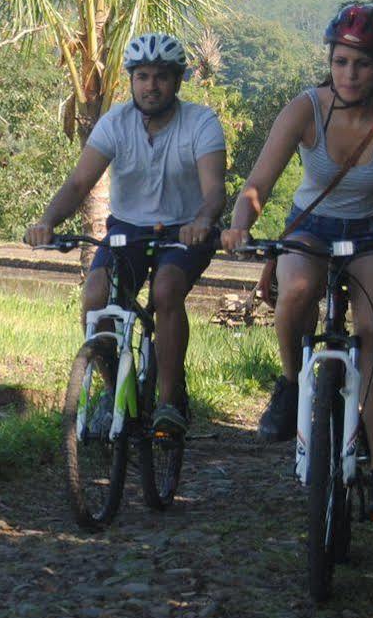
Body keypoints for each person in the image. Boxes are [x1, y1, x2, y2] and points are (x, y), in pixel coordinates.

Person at [220, 2, 373, 522]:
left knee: (372, 332)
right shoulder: (303, 109)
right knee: (297, 292)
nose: (350, 74)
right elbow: (258, 184)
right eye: (341, 61)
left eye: (363, 64)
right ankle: (288, 383)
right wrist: (240, 223)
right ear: (329, 60)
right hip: (312, 225)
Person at [25, 32, 227, 436]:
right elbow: (79, 183)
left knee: (167, 289)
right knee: (95, 297)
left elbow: (214, 191)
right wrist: (48, 221)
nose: (152, 85)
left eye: (162, 77)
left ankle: (169, 401)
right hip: (129, 231)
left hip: (184, 231)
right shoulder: (115, 123)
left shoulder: (200, 122)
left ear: (177, 81)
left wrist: (202, 222)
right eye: (143, 76)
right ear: (132, 81)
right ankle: (114, 391)